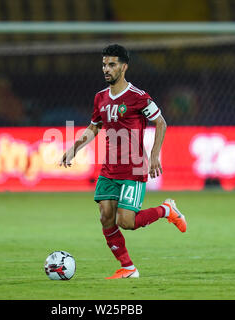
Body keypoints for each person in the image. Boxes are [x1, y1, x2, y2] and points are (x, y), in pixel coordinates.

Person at [60, 44, 187, 279]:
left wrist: (155, 155)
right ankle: (128, 268)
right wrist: (74, 148)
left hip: (134, 167)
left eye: (112, 65)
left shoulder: (138, 97)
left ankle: (166, 209)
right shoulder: (100, 98)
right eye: (104, 65)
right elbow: (94, 127)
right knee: (105, 217)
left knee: (127, 221)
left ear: (124, 67)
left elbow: (161, 123)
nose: (106, 69)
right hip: (109, 168)